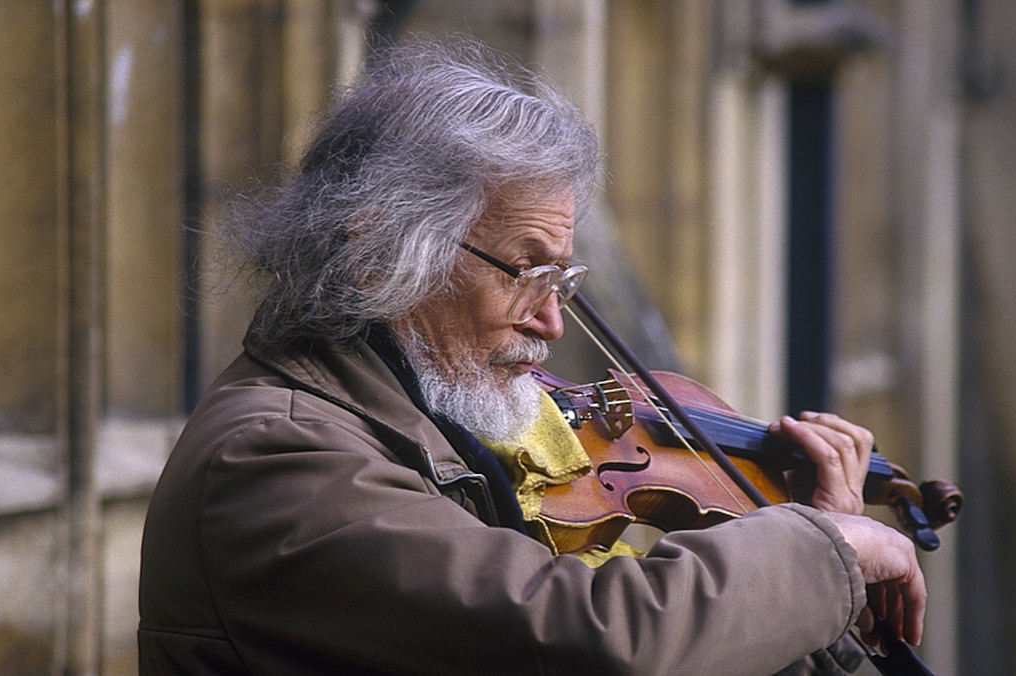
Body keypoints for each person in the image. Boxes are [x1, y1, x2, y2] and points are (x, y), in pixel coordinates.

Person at [138, 39, 925, 676]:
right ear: (380, 254)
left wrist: (818, 594)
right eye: (527, 271)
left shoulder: (424, 419)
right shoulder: (275, 456)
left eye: (565, 278)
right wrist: (826, 550)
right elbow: (586, 638)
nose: (552, 321)